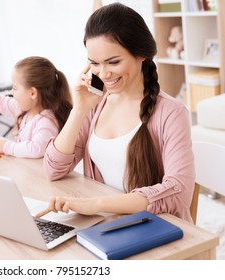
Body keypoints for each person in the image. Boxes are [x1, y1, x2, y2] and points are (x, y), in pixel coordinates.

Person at [37, 3, 195, 223]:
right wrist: (80, 109)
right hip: (105, 223)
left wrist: (97, 205)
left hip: (151, 227)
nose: (103, 73)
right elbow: (53, 169)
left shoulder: (171, 112)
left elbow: (178, 192)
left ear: (141, 54)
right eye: (94, 63)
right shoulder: (95, 105)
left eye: (113, 62)